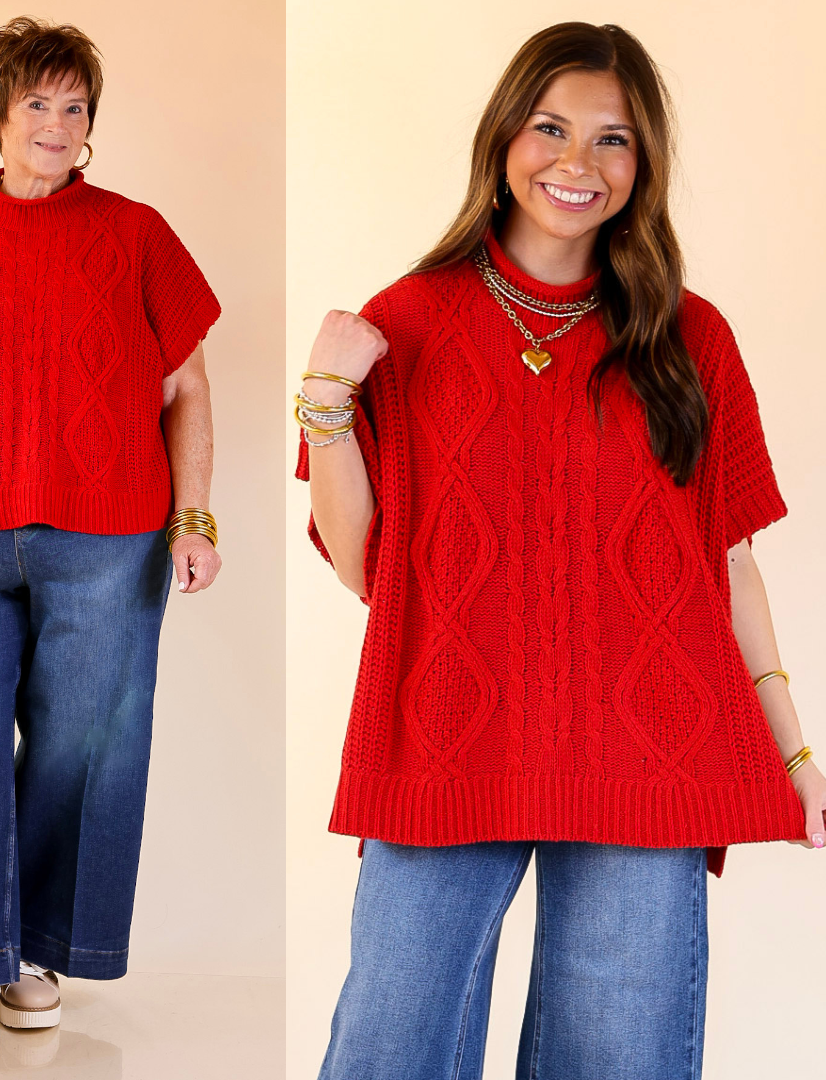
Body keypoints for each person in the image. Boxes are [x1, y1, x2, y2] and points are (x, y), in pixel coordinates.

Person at [295, 21, 825, 1080]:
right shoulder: (406, 323)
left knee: (617, 1061)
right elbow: (370, 574)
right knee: (388, 1049)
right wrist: (325, 407)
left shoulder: (692, 340)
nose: (577, 163)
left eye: (612, 139)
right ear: (504, 139)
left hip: (648, 749)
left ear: (644, 165)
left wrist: (793, 749)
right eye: (550, 128)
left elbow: (725, 562)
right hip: (445, 738)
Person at [0, 17, 222, 1064]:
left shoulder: (140, 233)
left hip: (110, 547)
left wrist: (194, 516)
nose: (58, 125)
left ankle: (39, 955)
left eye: (76, 107)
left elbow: (187, 385)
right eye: (37, 105)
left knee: (86, 751)